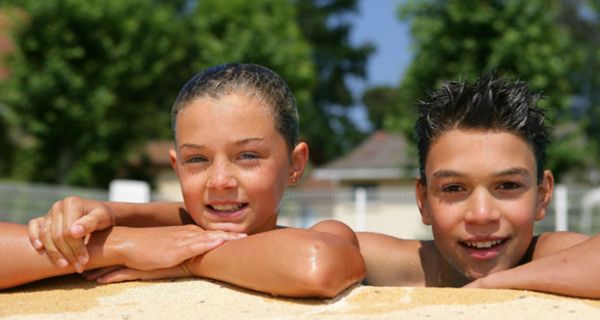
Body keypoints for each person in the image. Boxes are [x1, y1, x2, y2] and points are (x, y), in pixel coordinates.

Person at [3, 63, 366, 297]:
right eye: (197, 159)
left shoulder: (326, 232)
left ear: (295, 163)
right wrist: (121, 242)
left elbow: (317, 264)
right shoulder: (151, 242)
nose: (220, 180)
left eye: (248, 156)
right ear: (176, 168)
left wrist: (187, 261)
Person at [358, 73, 600, 299]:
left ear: (542, 195)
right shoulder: (406, 264)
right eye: (453, 188)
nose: (482, 215)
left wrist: (490, 285)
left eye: (507, 185)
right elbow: (322, 258)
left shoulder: (549, 255)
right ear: (423, 201)